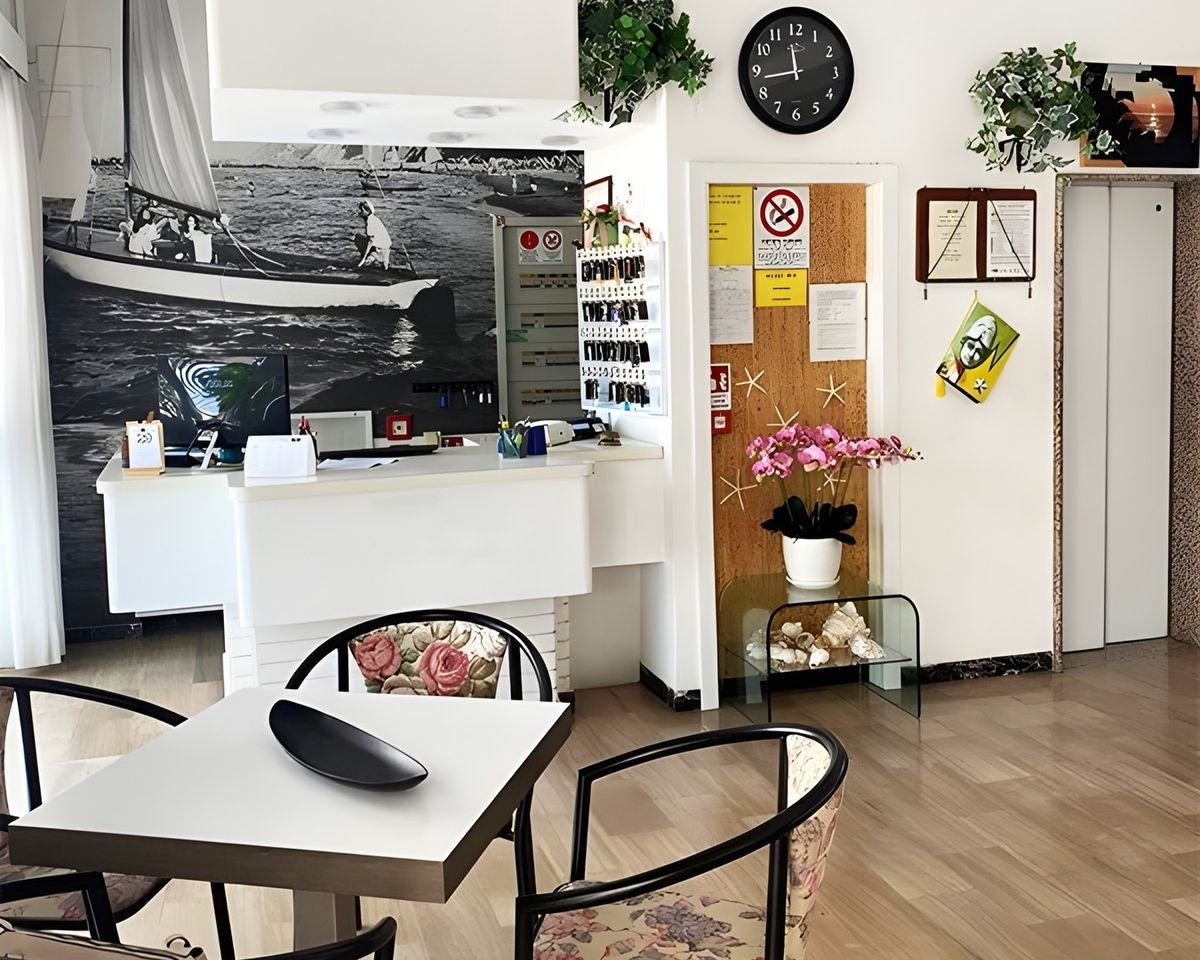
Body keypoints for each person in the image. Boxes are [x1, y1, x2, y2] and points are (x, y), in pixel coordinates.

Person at [938, 313, 998, 385]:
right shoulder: (945, 361)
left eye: (979, 352)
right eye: (970, 346)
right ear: (963, 341)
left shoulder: (978, 383)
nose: (971, 354)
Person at [353, 199, 392, 271]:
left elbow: (371, 240)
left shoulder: (371, 221)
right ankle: (379, 262)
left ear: (368, 211)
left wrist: (364, 257)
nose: (360, 212)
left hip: (381, 248)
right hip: (385, 246)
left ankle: (370, 261)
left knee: (358, 238)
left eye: (362, 211)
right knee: (384, 265)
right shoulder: (374, 219)